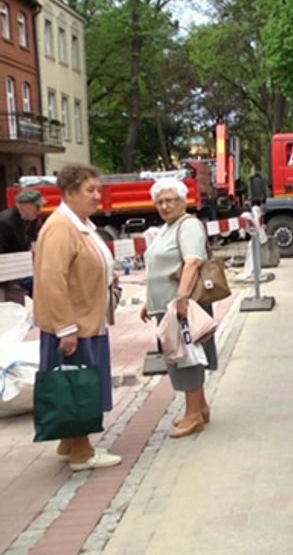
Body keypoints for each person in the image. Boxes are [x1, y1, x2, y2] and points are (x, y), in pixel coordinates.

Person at [33, 165, 121, 471]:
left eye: (99, 189)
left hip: (86, 319)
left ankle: (68, 442)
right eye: (90, 190)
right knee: (77, 385)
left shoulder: (81, 224)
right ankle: (82, 452)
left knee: (76, 381)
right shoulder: (61, 227)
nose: (98, 196)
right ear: (69, 193)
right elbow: (51, 278)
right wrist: (65, 327)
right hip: (74, 324)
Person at [140, 178, 218, 438]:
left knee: (185, 357)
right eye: (160, 201)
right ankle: (201, 407)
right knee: (186, 354)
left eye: (171, 200)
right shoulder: (167, 228)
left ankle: (193, 414)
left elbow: (192, 262)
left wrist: (182, 299)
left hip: (181, 306)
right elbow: (159, 267)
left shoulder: (188, 226)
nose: (165, 205)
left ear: (184, 201)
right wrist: (148, 301)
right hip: (169, 305)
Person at [0, 189, 44, 303]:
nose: (39, 210)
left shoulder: (32, 220)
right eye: (37, 206)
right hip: (7, 270)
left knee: (19, 300)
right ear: (23, 206)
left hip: (19, 269)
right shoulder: (6, 222)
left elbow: (32, 242)